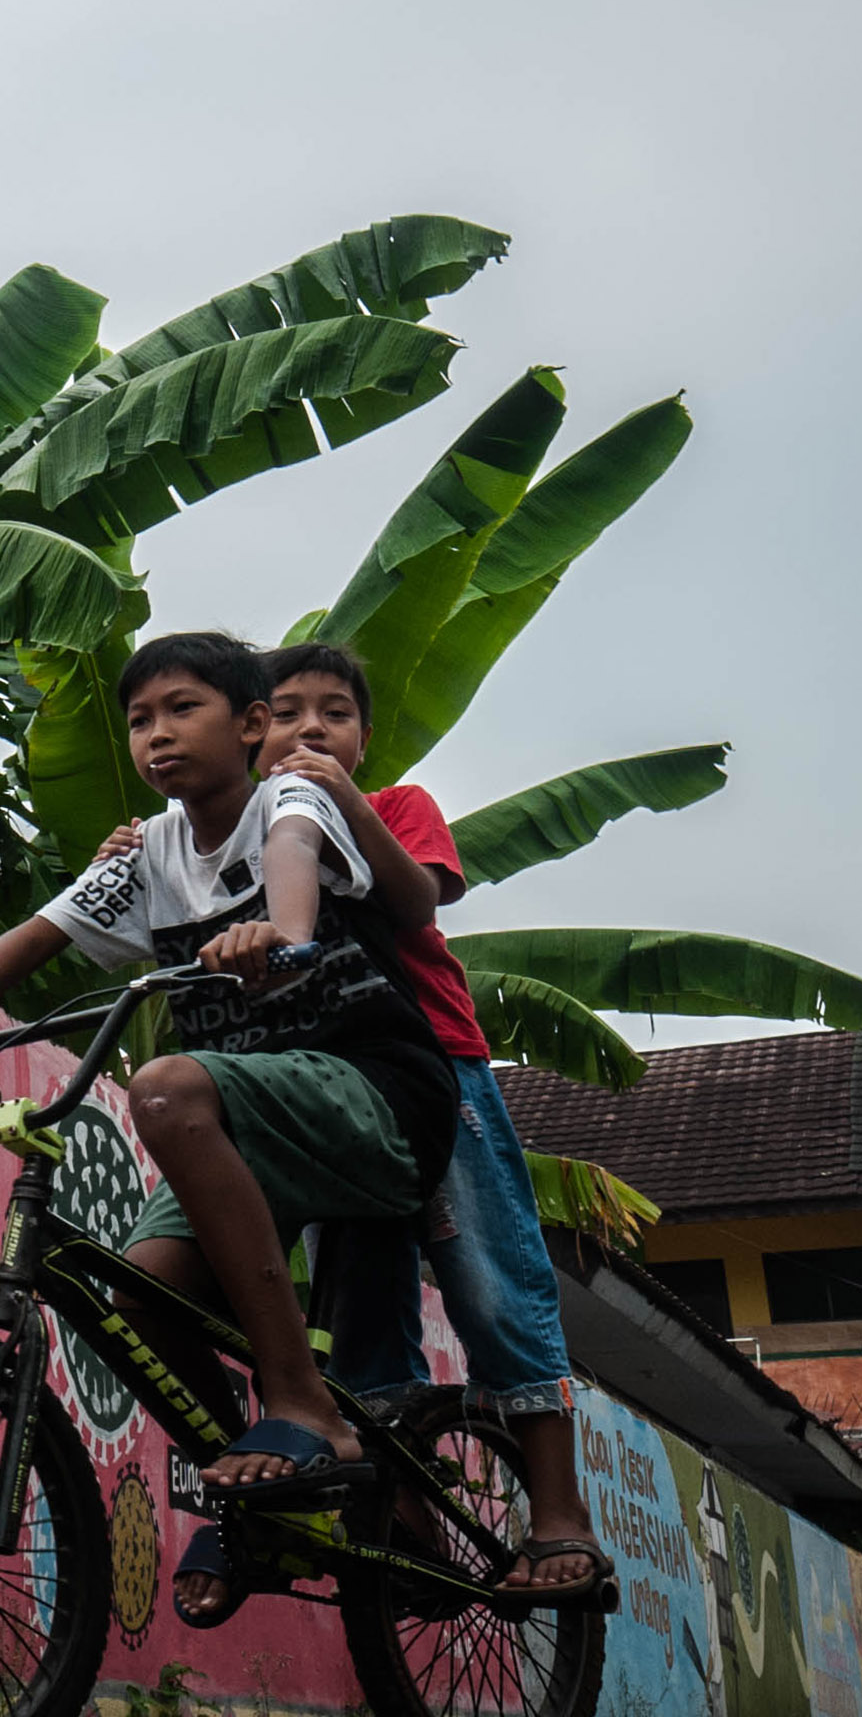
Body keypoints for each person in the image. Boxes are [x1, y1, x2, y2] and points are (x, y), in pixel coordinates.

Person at [0, 631, 458, 1569]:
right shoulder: (149, 852)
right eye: (140, 720)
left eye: (183, 709)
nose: (157, 734)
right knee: (141, 1298)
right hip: (257, 1124)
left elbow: (294, 851)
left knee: (166, 1085)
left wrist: (281, 933)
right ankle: (267, 1505)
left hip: (378, 1099)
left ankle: (302, 1403)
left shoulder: (289, 798)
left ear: (251, 725)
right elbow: (40, 931)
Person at [257, 640, 613, 1609]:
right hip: (334, 1087)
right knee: (362, 1313)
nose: (310, 727)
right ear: (249, 732)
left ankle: (559, 1514)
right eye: (285, 712)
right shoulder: (243, 835)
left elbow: (419, 898)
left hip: (438, 1064)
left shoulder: (397, 806)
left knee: (490, 1283)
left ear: (364, 738)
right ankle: (405, 1518)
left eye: (334, 712)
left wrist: (344, 803)